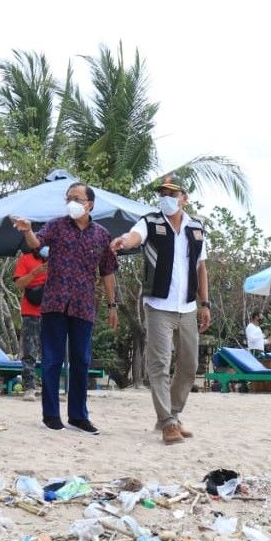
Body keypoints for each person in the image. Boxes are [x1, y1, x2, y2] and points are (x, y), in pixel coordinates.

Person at [110, 175, 210, 445]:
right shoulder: (150, 221)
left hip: (188, 306)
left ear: (184, 198)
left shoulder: (197, 228)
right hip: (158, 306)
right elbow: (134, 236)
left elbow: (201, 267)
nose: (167, 198)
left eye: (173, 193)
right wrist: (123, 241)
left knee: (190, 365)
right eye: (163, 193)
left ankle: (173, 414)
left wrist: (205, 303)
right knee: (159, 364)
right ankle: (167, 422)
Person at [13, 182, 118, 434]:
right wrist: (27, 231)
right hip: (54, 303)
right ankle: (51, 415)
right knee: (52, 360)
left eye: (77, 198)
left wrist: (113, 305)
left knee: (81, 360)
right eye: (68, 197)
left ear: (89, 204)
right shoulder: (57, 225)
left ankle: (78, 417)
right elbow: (37, 243)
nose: (71, 201)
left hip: (83, 306)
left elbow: (107, 272)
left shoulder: (102, 234)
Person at [13, 245, 49, 401]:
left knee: (52, 351)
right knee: (29, 350)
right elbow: (19, 284)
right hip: (31, 311)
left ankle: (50, 388)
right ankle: (29, 387)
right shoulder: (25, 259)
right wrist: (36, 272)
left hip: (53, 311)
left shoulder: (60, 259)